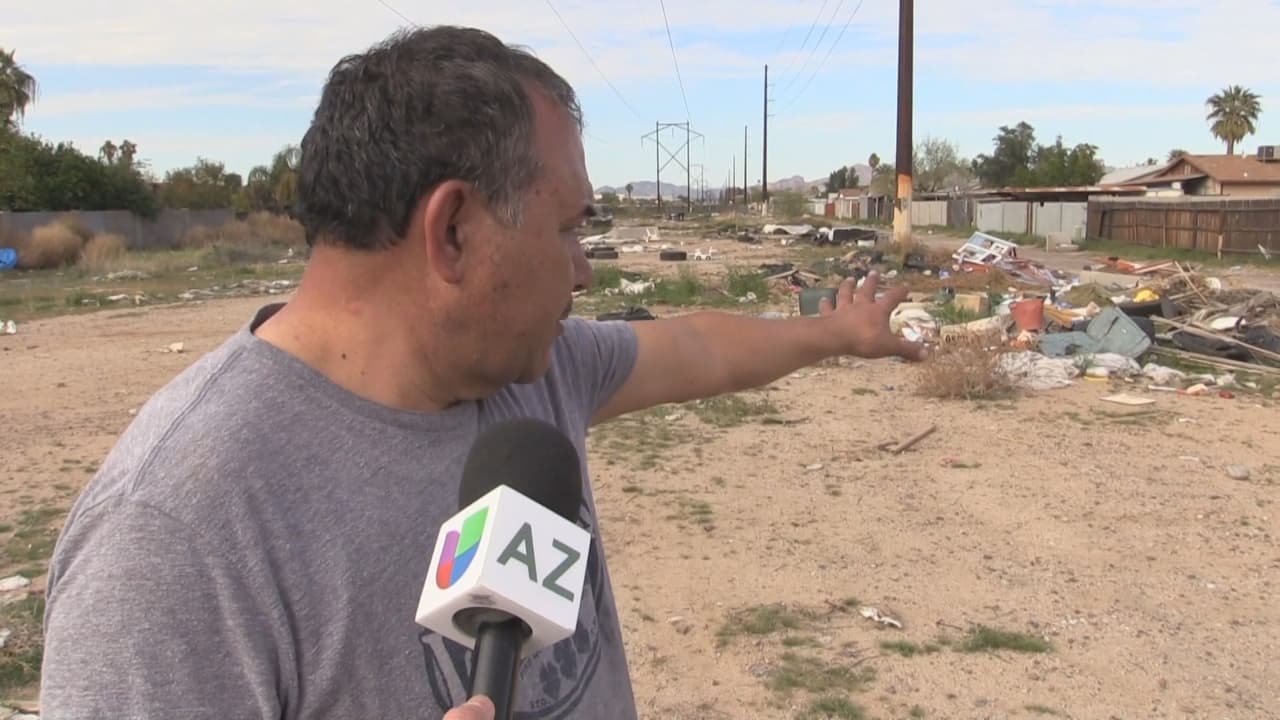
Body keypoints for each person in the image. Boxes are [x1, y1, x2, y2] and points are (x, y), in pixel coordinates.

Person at [39, 25, 924, 720]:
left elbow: (696, 348)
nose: (585, 270)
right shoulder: (173, 537)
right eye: (569, 228)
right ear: (454, 232)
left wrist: (833, 334)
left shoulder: (530, 369)